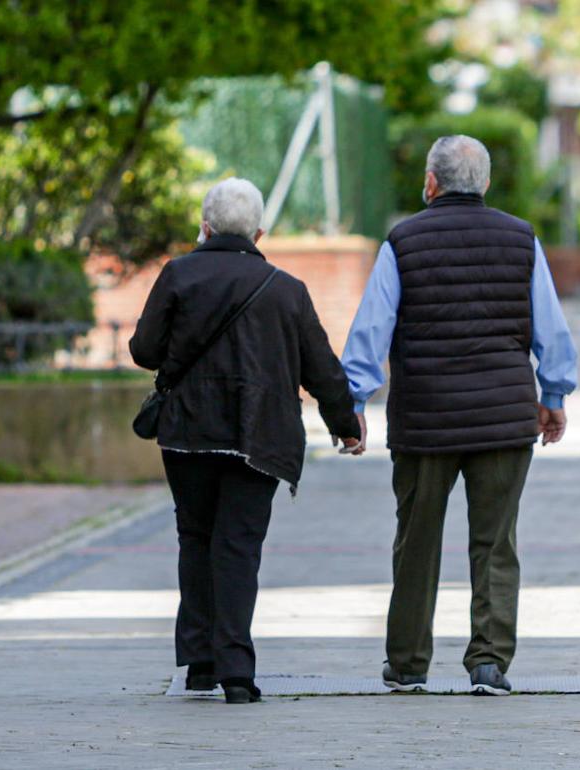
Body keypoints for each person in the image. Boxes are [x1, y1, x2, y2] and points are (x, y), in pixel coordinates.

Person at [341, 135, 578, 696]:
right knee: (496, 543)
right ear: (486, 184)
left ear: (430, 183)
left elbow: (371, 330)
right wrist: (555, 395)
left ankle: (407, 663)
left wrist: (354, 402)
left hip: (425, 420)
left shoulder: (403, 242)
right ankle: (489, 662)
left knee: (417, 541)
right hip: (503, 418)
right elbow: (551, 328)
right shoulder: (521, 240)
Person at [130, 178, 361, 704]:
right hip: (260, 437)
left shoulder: (178, 275)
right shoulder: (286, 289)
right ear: (260, 232)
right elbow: (321, 368)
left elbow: (145, 350)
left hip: (187, 433)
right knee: (239, 547)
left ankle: (199, 663)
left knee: (196, 538)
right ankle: (237, 672)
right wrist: (344, 422)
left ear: (204, 227)